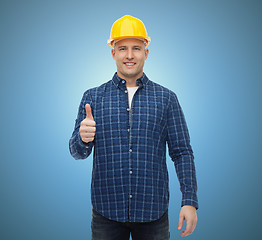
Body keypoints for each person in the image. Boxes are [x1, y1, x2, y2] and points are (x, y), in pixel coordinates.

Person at [69, 15, 198, 240]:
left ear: (146, 53)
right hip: (106, 213)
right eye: (122, 48)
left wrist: (189, 200)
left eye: (136, 48)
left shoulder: (166, 98)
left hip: (153, 213)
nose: (129, 55)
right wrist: (83, 138)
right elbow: (77, 153)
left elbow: (182, 153)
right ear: (113, 53)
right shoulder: (93, 97)